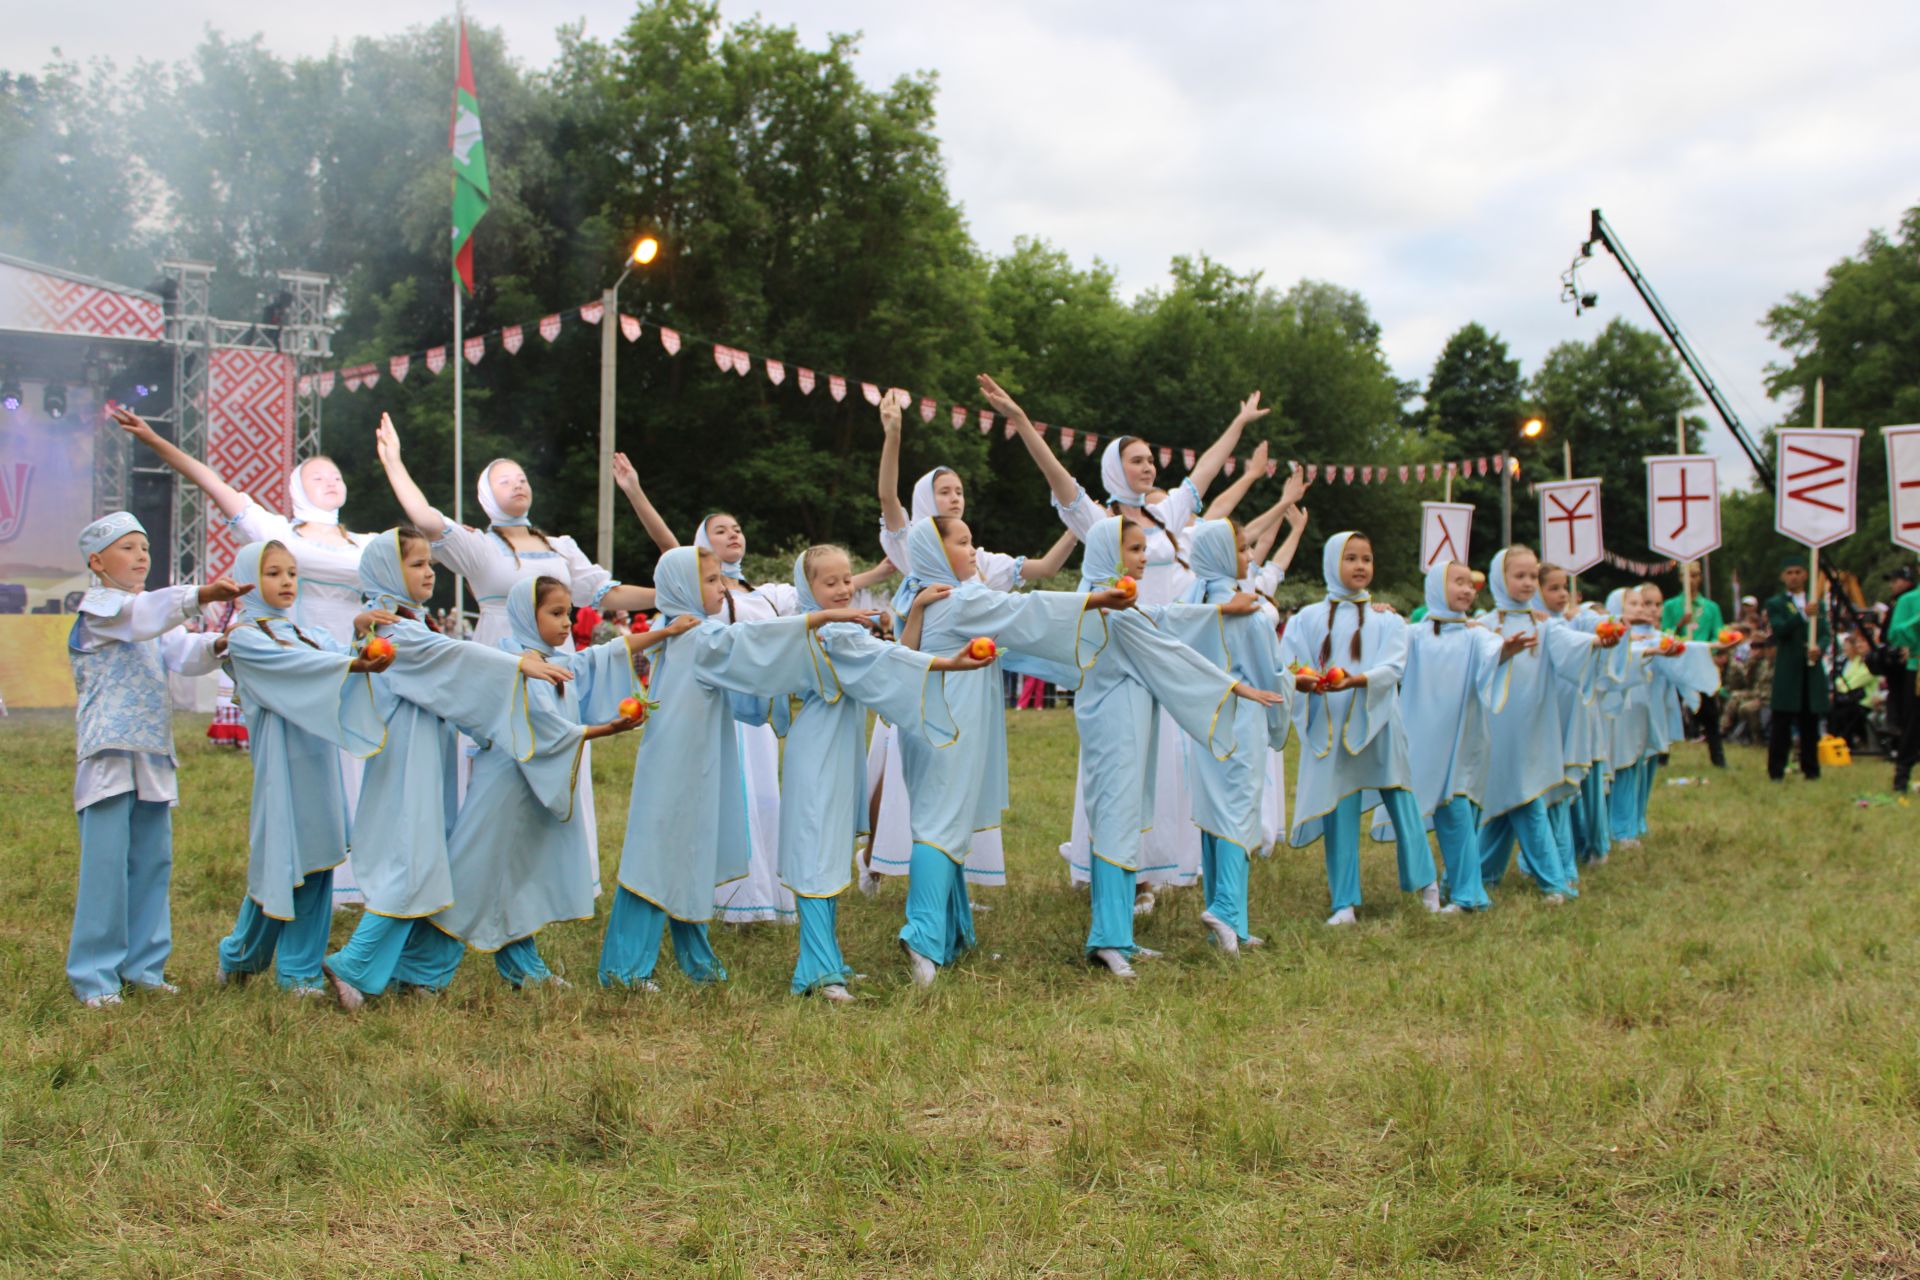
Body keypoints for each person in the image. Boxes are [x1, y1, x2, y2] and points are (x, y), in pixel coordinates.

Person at [995, 373, 1267, 906]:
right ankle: (1121, 872)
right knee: (1122, 758)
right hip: (1120, 651)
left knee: (1168, 758)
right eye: (1138, 461)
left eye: (1150, 460)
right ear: (1117, 468)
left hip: (1168, 643)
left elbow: (1205, 472)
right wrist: (1021, 420)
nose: (1149, 467)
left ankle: (1158, 866)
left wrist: (1237, 423)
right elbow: (1056, 476)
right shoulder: (1097, 519)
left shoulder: (1166, 519)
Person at [375, 415, 658, 896]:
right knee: (501, 764)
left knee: (560, 750)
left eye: (522, 476)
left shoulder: (560, 546)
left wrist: (665, 595)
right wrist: (394, 463)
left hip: (558, 661)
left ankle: (556, 875)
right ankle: (483, 870)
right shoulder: (476, 546)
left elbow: (605, 594)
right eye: (504, 479)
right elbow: (424, 518)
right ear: (486, 496)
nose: (519, 482)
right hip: (501, 659)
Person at [116, 406, 379, 906]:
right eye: (316, 475)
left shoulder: (367, 544)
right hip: (293, 660)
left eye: (337, 475)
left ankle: (363, 872)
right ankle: (312, 875)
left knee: (363, 755)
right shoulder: (278, 533)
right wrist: (155, 441)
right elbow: (212, 483)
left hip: (354, 656)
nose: (331, 481)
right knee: (309, 766)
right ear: (296, 488)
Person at [599, 546, 877, 989]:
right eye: (710, 581)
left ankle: (696, 959)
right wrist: (815, 620)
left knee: (687, 853)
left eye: (720, 579)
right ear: (682, 588)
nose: (721, 587)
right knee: (656, 858)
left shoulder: (692, 630)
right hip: (675, 767)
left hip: (695, 760)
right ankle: (625, 969)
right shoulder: (697, 638)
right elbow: (750, 643)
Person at [322, 529, 574, 1010]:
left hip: (425, 756)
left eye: (428, 563)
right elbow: (453, 659)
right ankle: (351, 963)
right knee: (413, 862)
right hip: (406, 760)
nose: (428, 572)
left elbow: (452, 670)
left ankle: (408, 972)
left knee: (427, 861)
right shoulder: (390, 628)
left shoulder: (405, 625)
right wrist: (516, 665)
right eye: (416, 564)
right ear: (387, 572)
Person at [889, 516, 1133, 984]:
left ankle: (951, 934)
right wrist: (1097, 599)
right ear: (935, 552)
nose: (973, 550)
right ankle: (920, 936)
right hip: (951, 725)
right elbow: (1029, 611)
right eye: (963, 542)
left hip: (929, 723)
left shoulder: (919, 598)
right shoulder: (961, 599)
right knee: (940, 825)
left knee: (941, 819)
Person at [862, 390, 1078, 894]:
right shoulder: (914, 543)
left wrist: (1079, 526)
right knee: (894, 774)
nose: (954, 497)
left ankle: (946, 881)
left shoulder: (977, 560)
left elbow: (1042, 572)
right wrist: (893, 434)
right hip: (912, 672)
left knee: (953, 779)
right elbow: (887, 499)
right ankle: (874, 858)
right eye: (944, 492)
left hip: (965, 685)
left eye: (959, 491)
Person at [408, 577, 666, 992]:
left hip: (526, 787)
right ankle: (418, 971)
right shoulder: (514, 663)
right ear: (528, 616)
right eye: (555, 613)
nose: (567, 623)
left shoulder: (550, 659)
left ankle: (525, 969)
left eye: (568, 613)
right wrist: (607, 729)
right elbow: (544, 730)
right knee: (474, 874)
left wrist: (666, 632)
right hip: (503, 787)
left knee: (516, 874)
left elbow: (600, 657)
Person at [774, 546, 985, 1001]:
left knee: (826, 853)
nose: (843, 588)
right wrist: (950, 663)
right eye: (830, 583)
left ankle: (825, 959)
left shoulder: (841, 630)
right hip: (817, 752)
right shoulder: (831, 634)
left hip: (832, 748)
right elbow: (891, 663)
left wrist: (919, 611)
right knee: (815, 855)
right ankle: (819, 971)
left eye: (847, 578)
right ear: (807, 589)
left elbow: (891, 659)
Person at [66, 513, 243, 1007]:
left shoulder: (149, 613)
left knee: (152, 862)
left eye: (144, 546)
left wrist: (220, 642)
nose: (141, 555)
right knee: (106, 866)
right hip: (109, 752)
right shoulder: (99, 606)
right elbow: (144, 617)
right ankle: (95, 975)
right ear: (96, 562)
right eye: (127, 548)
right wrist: (201, 595)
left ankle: (143, 965)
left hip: (151, 755)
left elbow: (183, 652)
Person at [214, 541, 391, 995]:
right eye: (273, 573)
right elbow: (297, 668)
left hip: (317, 762)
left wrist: (357, 634)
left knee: (317, 860)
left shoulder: (302, 632)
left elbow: (327, 653)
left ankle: (299, 970)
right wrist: (353, 663)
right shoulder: (246, 638)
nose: (287, 581)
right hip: (281, 766)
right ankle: (240, 955)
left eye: (292, 572)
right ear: (248, 580)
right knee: (279, 863)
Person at [1280, 531, 1440, 925]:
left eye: (1366, 558)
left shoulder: (1387, 618)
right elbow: (1290, 663)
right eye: (1350, 558)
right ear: (1333, 562)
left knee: (1402, 802)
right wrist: (1306, 679)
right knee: (1340, 808)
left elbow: (1393, 666)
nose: (1360, 566)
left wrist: (1356, 681)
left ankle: (1427, 885)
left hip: (1380, 720)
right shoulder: (1307, 618)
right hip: (1334, 729)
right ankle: (1344, 901)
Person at [1150, 520, 1295, 952]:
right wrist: (1289, 686)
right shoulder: (1245, 614)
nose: (1250, 557)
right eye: (1244, 548)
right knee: (1238, 818)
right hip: (1243, 719)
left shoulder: (1191, 609)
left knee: (1214, 816)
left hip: (1204, 723)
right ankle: (1227, 910)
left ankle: (1234, 921)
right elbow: (1268, 672)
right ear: (1221, 554)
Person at [1388, 561, 1533, 911]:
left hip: (1462, 741)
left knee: (1456, 813)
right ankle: (1438, 886)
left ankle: (1469, 895)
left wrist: (1505, 651)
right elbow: (1389, 650)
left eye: (1471, 584)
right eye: (1458, 582)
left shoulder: (1476, 634)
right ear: (1437, 586)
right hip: (1424, 739)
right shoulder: (1416, 634)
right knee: (1425, 812)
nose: (1467, 590)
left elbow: (1490, 652)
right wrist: (1383, 616)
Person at [1474, 547, 1616, 904]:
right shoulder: (1484, 625)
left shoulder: (1545, 626)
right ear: (1499, 578)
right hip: (1497, 731)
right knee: (1510, 802)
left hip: (1533, 729)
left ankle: (1538, 880)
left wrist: (1601, 641)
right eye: (1518, 576)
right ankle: (1495, 876)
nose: (1527, 583)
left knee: (1521, 800)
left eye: (1532, 576)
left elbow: (1574, 645)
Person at [1766, 554, 1830, 781]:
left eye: (1798, 572)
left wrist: (1819, 648)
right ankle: (1776, 770)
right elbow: (1779, 629)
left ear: (1805, 574)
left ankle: (1811, 769)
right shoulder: (1776, 604)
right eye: (1789, 573)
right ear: (1783, 577)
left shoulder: (1818, 603)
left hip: (1810, 670)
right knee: (1781, 723)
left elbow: (1824, 633)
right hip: (1788, 669)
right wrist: (1802, 615)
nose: (1794, 577)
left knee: (1809, 723)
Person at [1661, 563, 1728, 767]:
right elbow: (1664, 634)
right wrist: (1679, 625)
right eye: (1686, 575)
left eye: (1695, 575)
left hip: (1701, 663)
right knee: (1668, 707)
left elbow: (1718, 632)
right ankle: (1662, 756)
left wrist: (1718, 650)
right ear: (1680, 578)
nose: (1691, 580)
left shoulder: (1711, 607)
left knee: (1709, 712)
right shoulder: (1671, 606)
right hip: (1677, 663)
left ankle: (1718, 757)